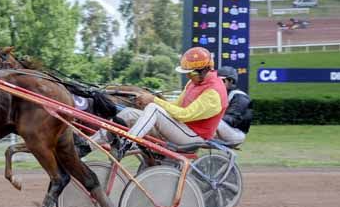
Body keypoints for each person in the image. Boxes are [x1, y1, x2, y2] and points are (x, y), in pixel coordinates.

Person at [83, 47, 228, 159]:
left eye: (191, 73)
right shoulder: (193, 82)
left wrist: (153, 101)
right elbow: (176, 106)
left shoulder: (213, 93)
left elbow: (185, 115)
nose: (189, 76)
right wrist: (148, 103)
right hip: (181, 129)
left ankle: (128, 144)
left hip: (193, 138)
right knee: (127, 113)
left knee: (154, 108)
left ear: (205, 70)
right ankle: (86, 146)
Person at [215, 66, 252, 145]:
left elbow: (233, 119)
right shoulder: (223, 94)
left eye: (222, 80)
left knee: (210, 120)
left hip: (236, 134)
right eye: (216, 80)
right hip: (226, 129)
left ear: (231, 81)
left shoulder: (240, 96)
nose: (218, 83)